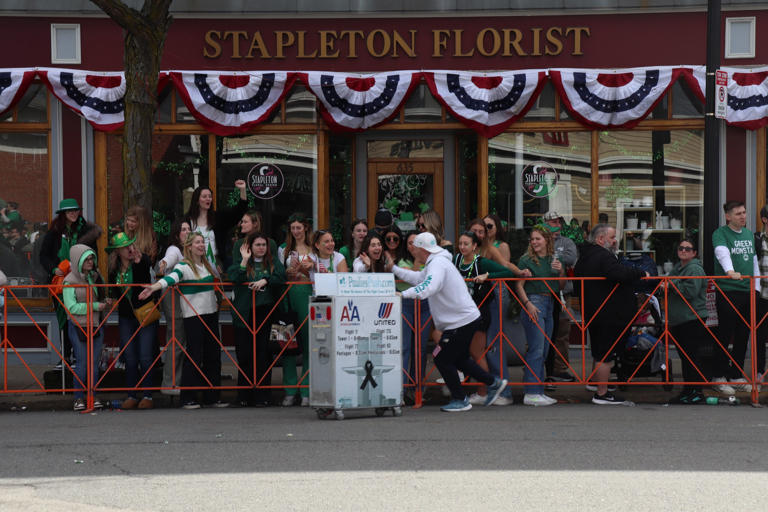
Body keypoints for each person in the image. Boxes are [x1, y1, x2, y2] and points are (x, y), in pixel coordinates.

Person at [387, 232, 508, 412]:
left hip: (461, 321)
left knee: (441, 357)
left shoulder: (437, 264)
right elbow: (419, 279)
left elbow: (429, 287)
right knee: (458, 359)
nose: (411, 250)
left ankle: (461, 399)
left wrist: (403, 294)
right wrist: (394, 269)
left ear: (422, 249)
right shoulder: (436, 262)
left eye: (414, 247)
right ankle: (493, 383)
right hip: (462, 320)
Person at [139, 232, 228, 409]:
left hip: (211, 314)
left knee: (213, 355)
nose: (201, 245)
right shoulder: (184, 266)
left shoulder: (208, 266)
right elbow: (171, 278)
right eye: (197, 243)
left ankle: (212, 396)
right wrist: (154, 287)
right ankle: (188, 397)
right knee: (194, 356)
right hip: (193, 316)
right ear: (189, 247)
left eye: (202, 242)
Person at [574, 224, 647, 405]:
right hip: (607, 313)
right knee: (605, 354)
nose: (615, 241)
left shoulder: (585, 256)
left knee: (599, 351)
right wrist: (641, 272)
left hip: (595, 311)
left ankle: (596, 383)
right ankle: (602, 393)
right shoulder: (603, 256)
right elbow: (619, 273)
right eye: (612, 237)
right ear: (600, 239)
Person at [454, 231, 515, 406]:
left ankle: (484, 390)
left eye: (466, 244)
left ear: (475, 246)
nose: (462, 247)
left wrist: (488, 276)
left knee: (477, 353)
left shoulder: (481, 262)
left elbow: (508, 273)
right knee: (446, 338)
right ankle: (461, 375)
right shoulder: (456, 260)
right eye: (460, 243)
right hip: (460, 313)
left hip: (479, 313)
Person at [39, 199, 102, 368]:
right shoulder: (54, 232)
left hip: (82, 280)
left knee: (80, 317)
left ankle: (79, 356)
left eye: (75, 211)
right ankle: (65, 355)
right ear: (63, 215)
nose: (73, 214)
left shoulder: (86, 231)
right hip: (62, 282)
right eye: (69, 212)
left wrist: (90, 270)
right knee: (64, 319)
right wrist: (53, 269)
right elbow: (43, 256)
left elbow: (93, 254)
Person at [228, 231, 286, 407]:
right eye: (257, 245)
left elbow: (281, 277)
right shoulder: (243, 262)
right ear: (250, 247)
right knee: (245, 354)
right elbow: (234, 277)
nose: (261, 248)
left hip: (265, 312)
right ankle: (244, 396)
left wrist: (266, 279)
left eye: (263, 245)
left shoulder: (273, 262)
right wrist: (245, 261)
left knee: (264, 354)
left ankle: (263, 395)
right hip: (245, 313)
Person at [712, 200, 760, 393]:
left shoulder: (749, 234)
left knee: (743, 334)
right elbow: (721, 252)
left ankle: (736, 374)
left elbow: (754, 260)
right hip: (728, 290)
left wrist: (756, 287)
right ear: (728, 216)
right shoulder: (720, 233)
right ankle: (719, 375)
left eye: (744, 213)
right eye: (738, 213)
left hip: (748, 291)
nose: (743, 216)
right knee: (725, 333)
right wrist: (730, 270)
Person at [515, 226, 566, 406]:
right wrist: (527, 304)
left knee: (543, 350)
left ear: (546, 240)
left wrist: (560, 271)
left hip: (550, 302)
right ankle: (531, 392)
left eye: (538, 239)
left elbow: (561, 286)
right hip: (534, 302)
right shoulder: (526, 260)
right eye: (532, 239)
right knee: (536, 349)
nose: (534, 242)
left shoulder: (554, 259)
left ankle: (537, 390)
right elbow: (518, 285)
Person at [107, 232, 158, 410]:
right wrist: (111, 300)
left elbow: (146, 283)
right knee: (129, 356)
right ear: (117, 251)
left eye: (130, 245)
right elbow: (114, 291)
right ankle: (131, 394)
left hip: (144, 312)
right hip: (126, 316)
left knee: (145, 356)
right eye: (124, 247)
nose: (128, 249)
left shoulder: (142, 260)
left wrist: (139, 263)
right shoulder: (114, 268)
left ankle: (147, 395)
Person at [62, 244, 110, 411]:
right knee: (82, 362)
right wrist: (95, 306)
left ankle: (92, 395)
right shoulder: (69, 280)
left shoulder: (95, 276)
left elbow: (100, 296)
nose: (90, 262)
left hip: (96, 324)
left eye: (92, 259)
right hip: (78, 326)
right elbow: (71, 307)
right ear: (78, 261)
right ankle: (78, 398)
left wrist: (104, 302)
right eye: (86, 259)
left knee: (94, 363)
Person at [667, 238, 712, 404]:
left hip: (692, 318)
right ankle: (688, 390)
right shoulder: (678, 268)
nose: (683, 250)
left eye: (687, 248)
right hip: (680, 319)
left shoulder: (694, 268)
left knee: (691, 356)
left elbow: (690, 291)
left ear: (694, 253)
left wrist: (672, 285)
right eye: (681, 248)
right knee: (686, 357)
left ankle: (696, 391)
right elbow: (670, 282)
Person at [277, 213, 314, 406]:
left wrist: (306, 270)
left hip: (307, 295)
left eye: (299, 228)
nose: (296, 231)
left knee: (310, 343)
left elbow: (319, 273)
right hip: (287, 298)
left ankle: (307, 389)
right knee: (287, 344)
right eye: (293, 228)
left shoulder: (313, 248)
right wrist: (286, 272)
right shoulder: (283, 249)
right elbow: (277, 273)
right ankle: (289, 390)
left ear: (306, 228)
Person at [542, 211, 579, 386]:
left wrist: (552, 257)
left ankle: (560, 369)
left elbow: (572, 258)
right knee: (540, 331)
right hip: (541, 293)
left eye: (558, 222)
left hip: (564, 294)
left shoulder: (567, 242)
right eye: (552, 222)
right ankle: (539, 369)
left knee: (562, 332)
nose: (556, 225)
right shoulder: (537, 240)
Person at [156, 219, 191, 395]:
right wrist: (163, 264)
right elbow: (167, 260)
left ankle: (179, 381)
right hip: (173, 295)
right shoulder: (175, 249)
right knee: (176, 340)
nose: (187, 232)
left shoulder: (191, 250)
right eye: (183, 229)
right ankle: (170, 384)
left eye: (189, 229)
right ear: (177, 235)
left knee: (182, 340)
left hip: (187, 297)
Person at [184, 180, 248, 276]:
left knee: (215, 288)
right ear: (197, 200)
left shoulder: (218, 218)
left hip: (215, 262)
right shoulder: (188, 220)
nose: (208, 199)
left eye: (210, 196)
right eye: (204, 196)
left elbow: (238, 213)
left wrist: (242, 190)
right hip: (193, 261)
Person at [398, 231, 433, 400]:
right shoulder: (402, 261)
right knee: (404, 347)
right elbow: (414, 279)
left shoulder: (430, 262)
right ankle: (403, 389)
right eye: (410, 243)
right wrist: (418, 262)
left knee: (420, 348)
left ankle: (418, 389)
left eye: (417, 243)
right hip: (406, 304)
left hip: (425, 305)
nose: (413, 246)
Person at [753, 206, 768, 390]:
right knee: (760, 336)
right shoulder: (756, 239)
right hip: (762, 295)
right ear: (765, 219)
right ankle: (759, 373)